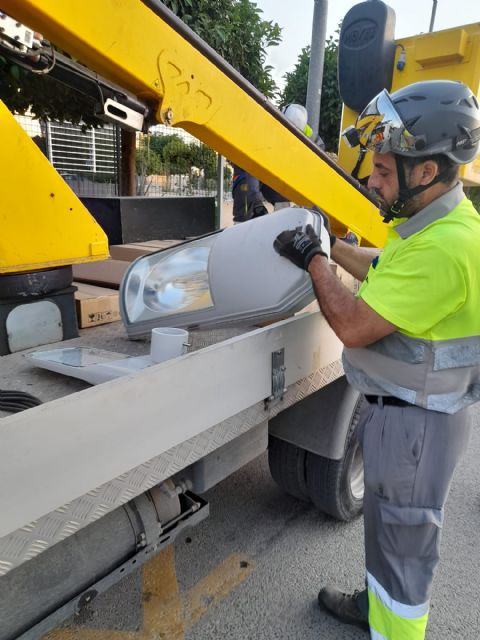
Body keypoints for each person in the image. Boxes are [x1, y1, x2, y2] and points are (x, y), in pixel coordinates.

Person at [273, 79, 480, 639]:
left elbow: (355, 325)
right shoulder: (432, 226)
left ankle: (394, 629)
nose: (372, 181)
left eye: (384, 172)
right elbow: (382, 267)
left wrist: (314, 260)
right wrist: (331, 244)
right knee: (388, 532)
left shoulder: (446, 247)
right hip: (406, 416)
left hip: (418, 427)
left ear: (427, 172)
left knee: (405, 552)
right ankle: (375, 605)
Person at [232, 104, 325, 223]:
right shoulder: (265, 128)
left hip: (281, 179)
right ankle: (243, 220)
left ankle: (286, 219)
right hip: (262, 169)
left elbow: (319, 152)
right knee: (245, 178)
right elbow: (250, 168)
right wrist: (256, 205)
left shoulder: (308, 135)